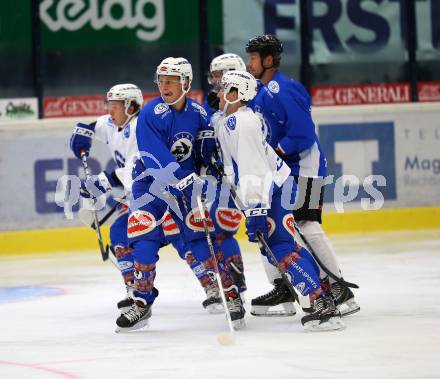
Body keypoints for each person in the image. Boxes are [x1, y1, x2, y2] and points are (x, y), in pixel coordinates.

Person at [69, 83, 220, 317]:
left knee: (182, 238)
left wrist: (101, 183)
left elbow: (134, 170)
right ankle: (135, 289)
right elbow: (94, 126)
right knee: (120, 232)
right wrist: (82, 132)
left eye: (116, 106)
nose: (111, 111)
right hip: (139, 196)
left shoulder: (143, 127)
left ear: (131, 107)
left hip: (163, 191)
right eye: (109, 106)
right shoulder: (112, 123)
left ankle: (212, 285)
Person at [117, 57, 245, 332]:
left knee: (199, 237)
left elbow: (203, 151)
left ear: (185, 83)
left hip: (187, 186)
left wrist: (207, 156)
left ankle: (229, 293)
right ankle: (141, 302)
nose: (165, 86)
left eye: (171, 81)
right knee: (142, 235)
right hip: (149, 182)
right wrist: (181, 178)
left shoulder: (198, 114)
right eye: (161, 81)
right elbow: (153, 155)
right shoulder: (152, 113)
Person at [212, 70, 344, 331]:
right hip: (272, 189)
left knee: (282, 248)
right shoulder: (232, 119)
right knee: (278, 248)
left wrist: (258, 211)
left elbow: (254, 170)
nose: (218, 93)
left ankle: (322, 302)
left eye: (224, 88)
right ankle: (323, 296)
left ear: (237, 94)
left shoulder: (242, 123)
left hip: (273, 191)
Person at [245, 34, 360, 317]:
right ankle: (285, 286)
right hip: (284, 170)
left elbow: (304, 135)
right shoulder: (259, 91)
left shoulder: (286, 89)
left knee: (306, 224)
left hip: (306, 167)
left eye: (253, 58)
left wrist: (274, 151)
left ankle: (338, 288)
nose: (249, 64)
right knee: (275, 225)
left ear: (269, 60)